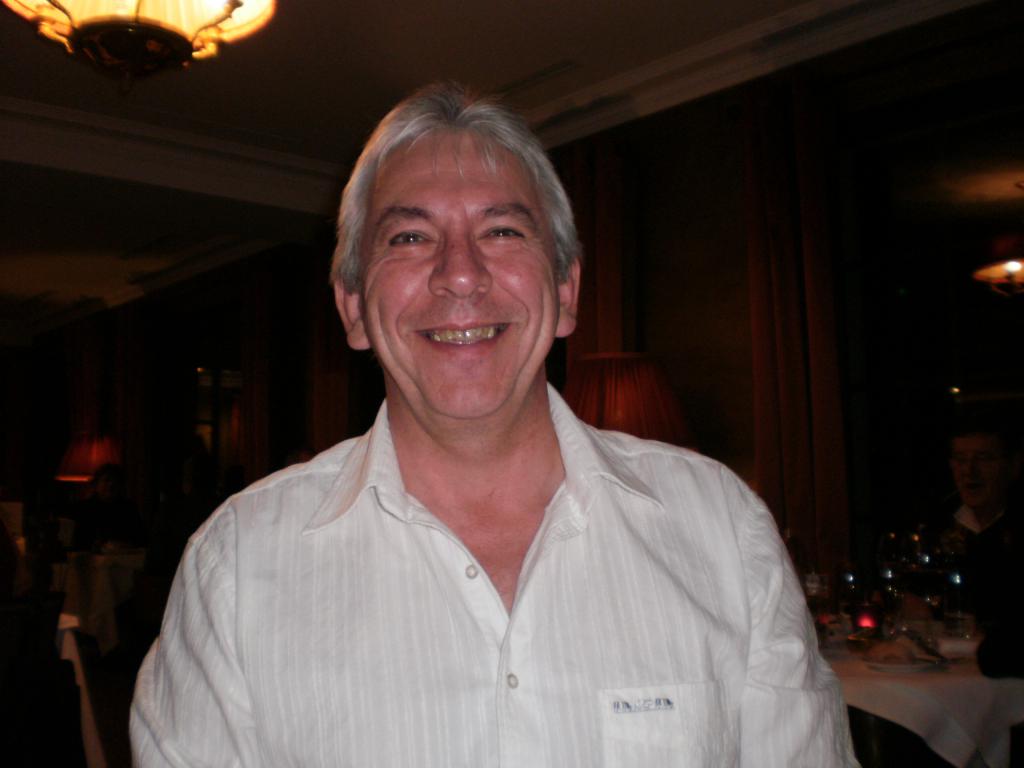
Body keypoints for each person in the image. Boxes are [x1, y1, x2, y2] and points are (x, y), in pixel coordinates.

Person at [131, 82, 856, 766]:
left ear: (566, 292)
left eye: (503, 230)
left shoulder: (723, 529)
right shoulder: (237, 566)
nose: (461, 274)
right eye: (409, 238)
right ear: (352, 308)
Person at [940, 417, 1023, 677]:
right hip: (948, 666)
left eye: (984, 458)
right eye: (960, 460)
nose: (969, 471)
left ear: (1013, 465)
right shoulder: (937, 523)